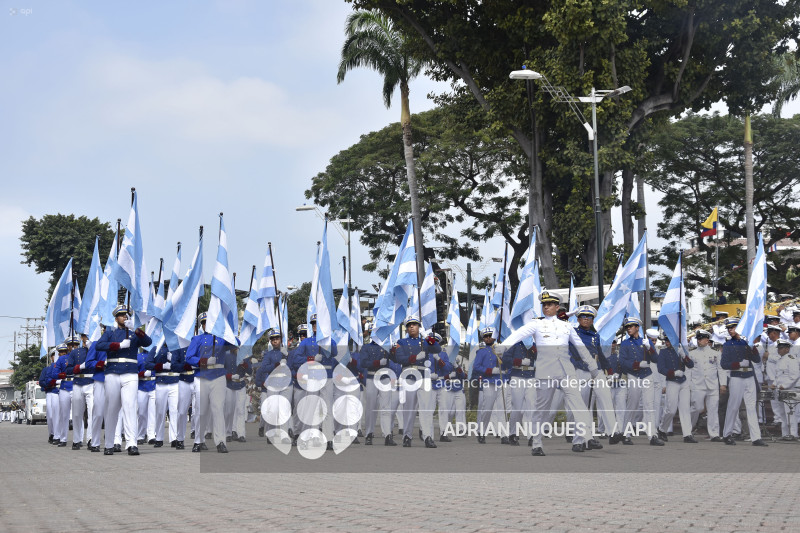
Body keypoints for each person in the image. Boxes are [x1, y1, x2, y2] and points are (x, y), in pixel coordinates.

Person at [501, 291, 602, 456]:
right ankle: (537, 443)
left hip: (566, 371)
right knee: (542, 410)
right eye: (544, 304)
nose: (546, 307)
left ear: (557, 307)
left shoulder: (566, 326)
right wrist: (503, 346)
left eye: (549, 305)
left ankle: (588, 437)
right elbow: (519, 334)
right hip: (546, 372)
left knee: (579, 405)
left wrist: (593, 367)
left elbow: (580, 347)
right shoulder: (536, 324)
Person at [96, 305, 152, 456]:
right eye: (121, 315)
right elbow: (99, 346)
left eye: (126, 315)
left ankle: (132, 443)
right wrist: (118, 345)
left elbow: (148, 342)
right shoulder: (110, 333)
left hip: (130, 373)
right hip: (113, 372)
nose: (124, 317)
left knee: (130, 408)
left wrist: (136, 329)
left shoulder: (134, 334)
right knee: (112, 409)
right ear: (116, 318)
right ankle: (109, 444)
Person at [569, 305, 622, 446]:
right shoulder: (572, 333)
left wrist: (609, 370)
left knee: (606, 398)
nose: (586, 319)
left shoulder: (595, 336)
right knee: (583, 407)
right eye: (583, 317)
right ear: (578, 319)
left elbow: (600, 354)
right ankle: (578, 441)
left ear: (592, 320)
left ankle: (613, 432)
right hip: (581, 370)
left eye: (589, 317)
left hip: (596, 371)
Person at [394, 315, 447, 448]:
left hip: (423, 376)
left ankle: (427, 436)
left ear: (419, 327)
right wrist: (414, 357)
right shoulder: (401, 342)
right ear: (406, 328)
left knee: (426, 409)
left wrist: (427, 336)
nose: (412, 326)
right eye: (409, 325)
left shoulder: (425, 342)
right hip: (409, 376)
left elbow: (437, 349)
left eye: (415, 324)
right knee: (409, 409)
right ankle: (407, 436)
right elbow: (399, 358)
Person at [185, 312, 234, 453]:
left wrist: (228, 330)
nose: (208, 324)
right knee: (201, 410)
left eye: (210, 321)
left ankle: (220, 442)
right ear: (202, 324)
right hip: (202, 376)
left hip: (218, 376)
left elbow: (236, 343)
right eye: (205, 322)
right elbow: (189, 357)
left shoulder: (222, 338)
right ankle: (199, 441)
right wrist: (203, 361)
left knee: (218, 409)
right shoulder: (197, 339)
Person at [720, 317, 768, 446]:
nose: (730, 330)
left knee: (751, 407)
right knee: (733, 406)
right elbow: (724, 364)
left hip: (749, 375)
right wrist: (737, 364)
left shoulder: (747, 342)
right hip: (736, 375)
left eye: (733, 327)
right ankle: (727, 434)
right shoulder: (728, 345)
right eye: (729, 328)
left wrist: (752, 348)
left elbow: (757, 360)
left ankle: (756, 437)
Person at [619, 317, 665, 446]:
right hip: (633, 375)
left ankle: (652, 436)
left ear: (637, 328)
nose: (629, 328)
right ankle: (626, 434)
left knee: (649, 406)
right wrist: (637, 364)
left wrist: (649, 347)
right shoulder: (625, 343)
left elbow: (655, 359)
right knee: (632, 405)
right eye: (627, 327)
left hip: (646, 375)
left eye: (631, 326)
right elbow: (622, 362)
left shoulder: (645, 342)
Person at [687, 330, 727, 441]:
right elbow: (689, 370)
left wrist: (723, 384)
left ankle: (714, 434)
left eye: (702, 339)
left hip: (712, 384)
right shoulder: (692, 353)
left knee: (713, 409)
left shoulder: (715, 352)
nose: (700, 341)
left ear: (707, 340)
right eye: (698, 339)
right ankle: (687, 430)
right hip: (697, 384)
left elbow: (721, 369)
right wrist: (688, 385)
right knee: (696, 408)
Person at [656, 337, 696, 443]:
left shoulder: (681, 350)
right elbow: (660, 368)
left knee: (685, 408)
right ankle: (662, 429)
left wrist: (684, 356)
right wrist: (672, 373)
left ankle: (687, 434)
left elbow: (691, 365)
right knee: (671, 409)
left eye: (669, 340)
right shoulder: (663, 352)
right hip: (672, 381)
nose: (667, 342)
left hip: (683, 381)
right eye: (666, 340)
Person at [255, 329, 292, 443]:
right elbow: (263, 368)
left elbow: (294, 366)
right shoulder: (268, 354)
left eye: (277, 339)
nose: (275, 341)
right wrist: (274, 365)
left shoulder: (288, 352)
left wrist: (288, 356)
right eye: (273, 339)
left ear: (281, 339)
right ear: (270, 342)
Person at [145, 343, 184, 448]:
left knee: (174, 411)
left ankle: (174, 438)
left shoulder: (178, 348)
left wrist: (174, 362)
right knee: (160, 412)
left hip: (175, 382)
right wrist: (161, 366)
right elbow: (147, 364)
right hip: (161, 382)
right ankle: (159, 438)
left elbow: (184, 365)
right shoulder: (156, 348)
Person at [472, 327, 505, 444]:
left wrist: (502, 357)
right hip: (488, 382)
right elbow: (476, 367)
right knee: (488, 408)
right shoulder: (481, 352)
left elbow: (508, 364)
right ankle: (481, 432)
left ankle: (504, 434)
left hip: (500, 381)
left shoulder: (500, 349)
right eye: (486, 336)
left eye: (490, 335)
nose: (488, 338)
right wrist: (490, 371)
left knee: (502, 409)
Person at [65, 333, 94, 449]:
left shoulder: (96, 350)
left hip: (92, 383)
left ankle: (91, 439)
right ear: (82, 338)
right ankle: (77, 439)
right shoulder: (75, 352)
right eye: (85, 335)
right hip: (78, 383)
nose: (87, 337)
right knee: (77, 414)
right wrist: (78, 367)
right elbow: (68, 369)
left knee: (93, 413)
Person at [224, 345, 253, 443]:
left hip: (240, 384)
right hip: (229, 384)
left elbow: (250, 371)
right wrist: (229, 376)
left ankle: (241, 434)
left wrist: (244, 364)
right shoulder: (225, 355)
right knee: (229, 411)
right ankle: (229, 432)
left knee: (241, 410)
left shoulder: (244, 355)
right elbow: (221, 370)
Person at [54, 337, 80, 447]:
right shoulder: (62, 359)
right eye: (70, 345)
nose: (73, 347)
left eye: (75, 345)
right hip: (65, 386)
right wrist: (62, 375)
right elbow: (55, 373)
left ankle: (78, 439)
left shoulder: (81, 356)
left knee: (77, 414)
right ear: (67, 347)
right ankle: (63, 438)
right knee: (64, 415)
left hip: (76, 385)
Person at [83, 337, 106, 452]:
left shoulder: (123, 342)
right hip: (100, 378)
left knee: (118, 411)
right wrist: (103, 363)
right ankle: (94, 440)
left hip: (117, 377)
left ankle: (115, 441)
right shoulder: (97, 344)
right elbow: (89, 363)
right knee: (97, 411)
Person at [774, 338, 799, 440]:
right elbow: (778, 376)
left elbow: (795, 375)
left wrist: (784, 386)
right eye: (778, 348)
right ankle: (785, 434)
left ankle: (793, 434)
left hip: (790, 389)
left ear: (787, 349)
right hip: (781, 390)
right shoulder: (780, 360)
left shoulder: (791, 359)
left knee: (791, 412)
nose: (779, 350)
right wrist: (774, 385)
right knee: (782, 413)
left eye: (781, 348)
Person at [39, 348, 61, 445]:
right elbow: (41, 381)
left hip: (62, 392)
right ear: (51, 357)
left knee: (61, 416)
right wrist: (50, 385)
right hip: (51, 392)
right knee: (51, 416)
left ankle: (58, 435)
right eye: (53, 355)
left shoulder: (62, 367)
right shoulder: (46, 369)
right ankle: (52, 433)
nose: (55, 357)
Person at [136, 349, 157, 445]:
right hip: (142, 386)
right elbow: (133, 373)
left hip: (153, 385)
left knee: (152, 413)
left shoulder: (155, 355)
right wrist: (143, 374)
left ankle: (151, 435)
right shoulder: (138, 356)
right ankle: (140, 435)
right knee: (141, 413)